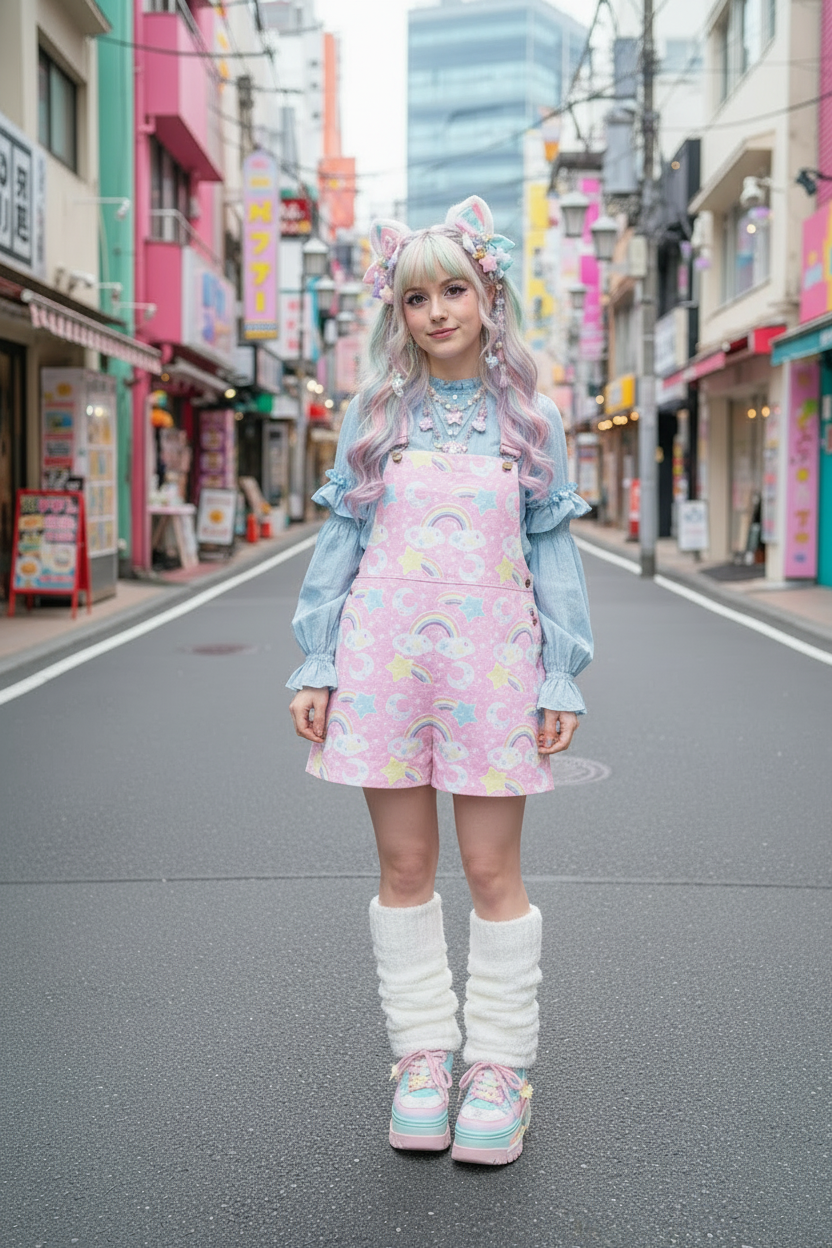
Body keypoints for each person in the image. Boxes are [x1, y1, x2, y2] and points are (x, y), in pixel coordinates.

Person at [288, 196, 593, 1166]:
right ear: (399, 310)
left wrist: (561, 675)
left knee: (494, 872)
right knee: (405, 870)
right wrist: (319, 658)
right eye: (415, 295)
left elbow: (554, 559)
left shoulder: (530, 418)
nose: (436, 311)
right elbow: (340, 542)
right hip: (384, 660)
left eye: (453, 288)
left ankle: (498, 1070)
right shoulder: (376, 415)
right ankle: (422, 1061)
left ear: (487, 291)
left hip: (495, 667)